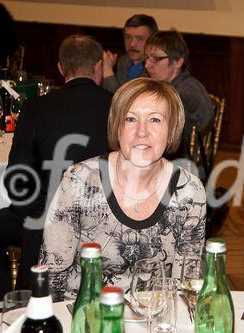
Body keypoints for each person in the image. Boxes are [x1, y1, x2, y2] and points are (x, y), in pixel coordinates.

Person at [39, 78, 206, 301]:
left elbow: (185, 287)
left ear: (172, 130)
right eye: (130, 119)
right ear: (117, 128)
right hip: (84, 312)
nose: (141, 132)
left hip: (152, 315)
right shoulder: (79, 181)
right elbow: (53, 277)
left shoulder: (190, 193)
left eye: (155, 120)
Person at [0, 34, 112, 304]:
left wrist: (36, 216)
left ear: (60, 68)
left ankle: (5, 299)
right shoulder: (117, 106)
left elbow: (17, 179)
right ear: (98, 67)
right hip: (106, 220)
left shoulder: (37, 108)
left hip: (43, 220)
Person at [144, 29, 213, 158]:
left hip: (184, 163)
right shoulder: (186, 83)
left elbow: (169, 144)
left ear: (177, 62)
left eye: (155, 59)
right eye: (147, 58)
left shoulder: (179, 94)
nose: (147, 65)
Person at [102, 14, 158, 93]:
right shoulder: (123, 60)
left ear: (153, 41)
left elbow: (127, 101)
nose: (132, 44)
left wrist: (107, 72)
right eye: (128, 37)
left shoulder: (156, 66)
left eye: (140, 38)